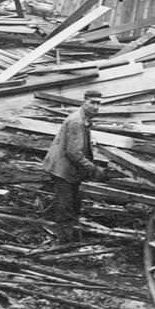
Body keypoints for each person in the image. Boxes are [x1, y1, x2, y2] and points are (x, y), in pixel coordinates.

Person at [42, 89, 105, 242]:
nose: (96, 107)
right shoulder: (76, 121)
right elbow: (73, 153)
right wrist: (93, 169)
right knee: (66, 205)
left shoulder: (84, 119)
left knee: (73, 202)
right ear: (84, 102)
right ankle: (64, 240)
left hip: (70, 168)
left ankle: (69, 232)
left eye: (98, 104)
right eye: (92, 103)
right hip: (62, 168)